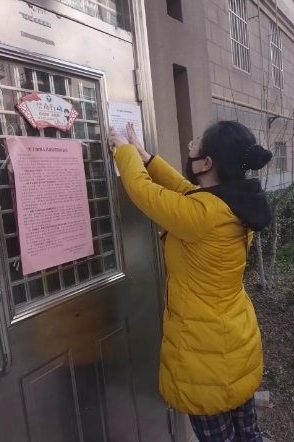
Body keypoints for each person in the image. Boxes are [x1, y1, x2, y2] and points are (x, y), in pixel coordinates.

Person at [108, 120, 272, 442]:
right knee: (249, 434)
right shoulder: (234, 205)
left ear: (206, 162)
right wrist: (147, 158)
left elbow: (143, 191)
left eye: (194, 144)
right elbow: (187, 191)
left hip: (204, 357)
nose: (190, 148)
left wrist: (122, 150)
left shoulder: (203, 214)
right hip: (237, 342)